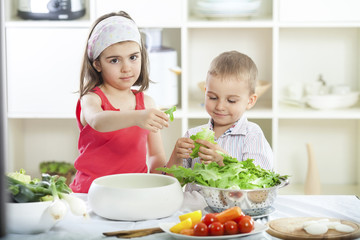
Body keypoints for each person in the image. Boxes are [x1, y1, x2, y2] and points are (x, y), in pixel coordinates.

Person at [70, 11, 169, 193]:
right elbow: (98, 121)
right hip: (91, 193)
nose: (126, 68)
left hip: (134, 191)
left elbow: (156, 155)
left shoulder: (147, 103)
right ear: (97, 64)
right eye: (114, 60)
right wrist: (137, 117)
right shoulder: (92, 98)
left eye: (133, 57)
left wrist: (158, 186)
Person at [167, 51, 273, 173]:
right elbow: (174, 182)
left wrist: (224, 161)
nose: (220, 106)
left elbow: (259, 182)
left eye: (231, 101)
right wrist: (176, 156)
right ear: (205, 92)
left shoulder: (252, 136)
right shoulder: (192, 135)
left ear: (250, 101)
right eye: (213, 97)